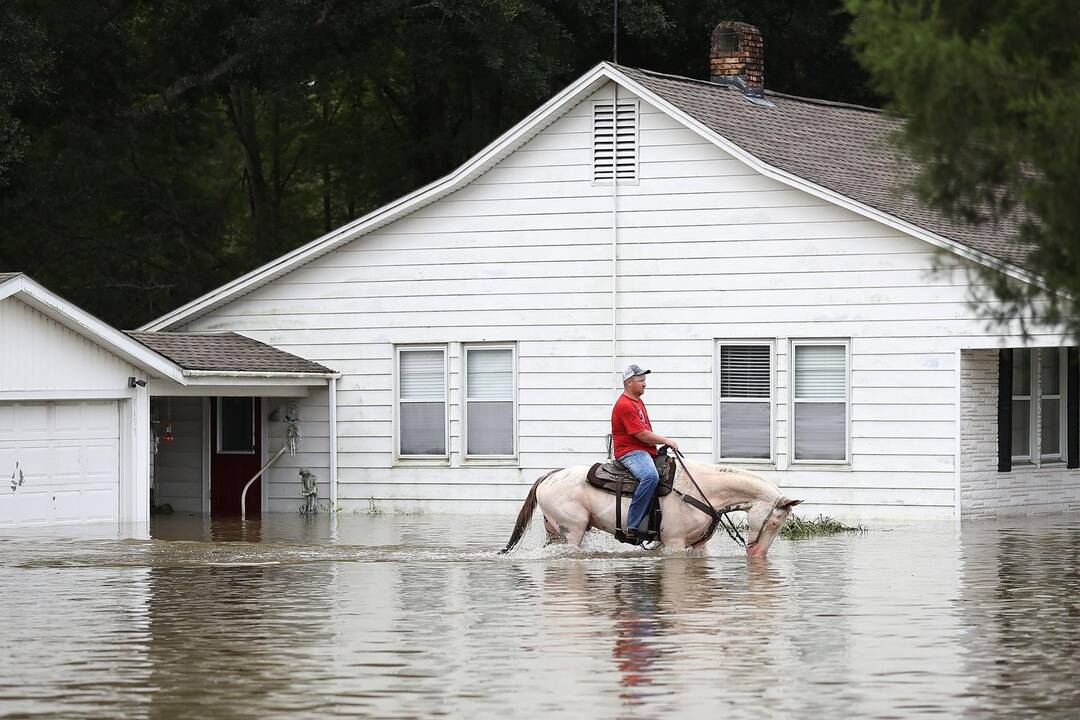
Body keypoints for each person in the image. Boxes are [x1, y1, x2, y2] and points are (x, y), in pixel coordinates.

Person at [611, 364, 679, 541]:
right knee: (650, 476)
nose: (644, 384)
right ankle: (633, 525)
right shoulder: (625, 405)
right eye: (640, 380)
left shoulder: (637, 401)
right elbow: (642, 435)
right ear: (629, 383)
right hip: (630, 452)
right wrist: (665, 440)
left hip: (643, 450)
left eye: (644, 380)